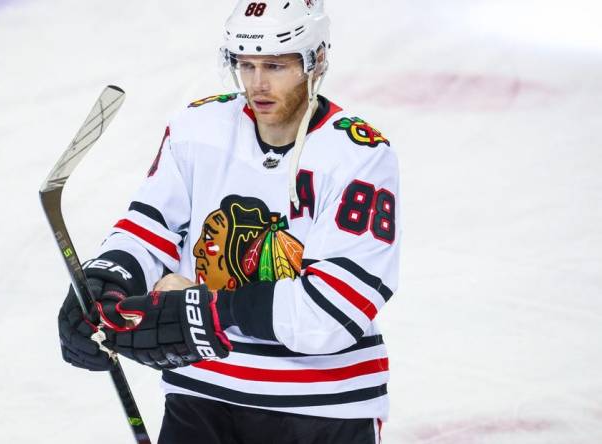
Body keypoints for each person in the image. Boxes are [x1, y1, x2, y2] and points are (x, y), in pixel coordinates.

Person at [57, 1, 399, 442]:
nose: (257, 84)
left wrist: (210, 307)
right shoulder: (198, 127)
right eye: (246, 64)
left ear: (317, 61)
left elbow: (332, 313)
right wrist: (106, 281)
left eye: (275, 65)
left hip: (321, 409)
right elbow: (149, 229)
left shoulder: (359, 156)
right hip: (201, 396)